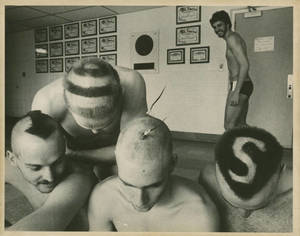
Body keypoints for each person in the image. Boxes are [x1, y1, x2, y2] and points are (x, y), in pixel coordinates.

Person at [88, 116, 219, 232]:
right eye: (128, 184)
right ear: (117, 160)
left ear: (172, 164)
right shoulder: (103, 196)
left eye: (153, 186)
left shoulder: (200, 213)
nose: (140, 201)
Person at [32, 58, 147, 179]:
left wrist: (74, 154)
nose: (95, 132)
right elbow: (39, 160)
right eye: (87, 125)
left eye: (105, 124)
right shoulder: (46, 102)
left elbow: (131, 150)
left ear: (120, 99)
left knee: (138, 172)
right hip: (74, 158)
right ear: (67, 105)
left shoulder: (132, 84)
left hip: (92, 153)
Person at [5, 110, 96, 230]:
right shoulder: (10, 162)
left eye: (57, 162)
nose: (49, 177)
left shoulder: (79, 180)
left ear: (64, 147)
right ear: (12, 159)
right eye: (35, 168)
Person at [198, 127, 292, 232]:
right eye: (229, 202)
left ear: (281, 171)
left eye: (258, 206)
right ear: (216, 167)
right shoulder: (208, 178)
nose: (244, 214)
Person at [210, 10, 254, 130]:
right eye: (214, 27)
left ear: (227, 24)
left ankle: (233, 149)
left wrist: (236, 91)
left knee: (229, 125)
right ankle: (255, 146)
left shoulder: (232, 39)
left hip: (240, 85)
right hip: (243, 84)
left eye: (219, 25)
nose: (217, 29)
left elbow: (244, 64)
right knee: (240, 124)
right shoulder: (232, 38)